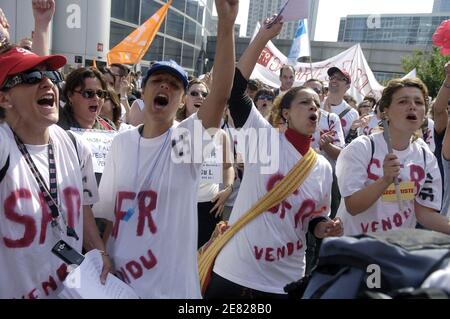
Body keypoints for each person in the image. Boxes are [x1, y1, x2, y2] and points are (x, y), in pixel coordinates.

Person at [92, 0, 238, 299]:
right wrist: (103, 260)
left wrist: (226, 25)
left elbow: (221, 95)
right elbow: (111, 216)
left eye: (174, 85)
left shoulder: (185, 143)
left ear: (183, 99)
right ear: (143, 92)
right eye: (157, 81)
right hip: (121, 284)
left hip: (169, 289)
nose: (165, 87)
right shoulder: (121, 142)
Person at [205, 16, 342, 299]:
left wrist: (324, 227)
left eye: (317, 104)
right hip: (237, 271)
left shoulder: (323, 169)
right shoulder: (264, 140)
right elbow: (235, 91)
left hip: (286, 280)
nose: (313, 108)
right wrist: (262, 38)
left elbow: (315, 220)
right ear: (285, 113)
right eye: (305, 102)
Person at [0, 46, 111, 298]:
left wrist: (100, 251)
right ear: (4, 99)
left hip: (73, 291)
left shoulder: (75, 146)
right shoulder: (3, 145)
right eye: (31, 77)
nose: (48, 82)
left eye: (52, 75)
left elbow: (83, 208)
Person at [336, 78, 450, 236]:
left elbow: (425, 214)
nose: (412, 106)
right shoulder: (362, 147)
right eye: (403, 101)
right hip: (354, 252)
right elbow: (353, 206)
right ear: (385, 111)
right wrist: (385, 180)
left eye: (418, 102)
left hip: (393, 254)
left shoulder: (425, 156)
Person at [177, 79, 235, 248]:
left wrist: (228, 188)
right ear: (183, 100)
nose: (200, 97)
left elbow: (228, 166)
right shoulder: (174, 130)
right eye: (194, 93)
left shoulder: (221, 135)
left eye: (205, 94)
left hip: (210, 207)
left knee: (203, 261)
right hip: (181, 206)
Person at [324, 66, 359, 141]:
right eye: (332, 77)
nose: (334, 80)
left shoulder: (353, 114)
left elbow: (351, 142)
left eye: (339, 78)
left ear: (347, 86)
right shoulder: (316, 104)